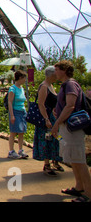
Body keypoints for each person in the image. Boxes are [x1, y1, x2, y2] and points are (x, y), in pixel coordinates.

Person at [51, 60, 91, 202]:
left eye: (56, 70)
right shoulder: (65, 85)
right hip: (67, 126)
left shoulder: (70, 85)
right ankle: (79, 187)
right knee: (74, 158)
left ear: (64, 70)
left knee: (79, 160)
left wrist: (56, 123)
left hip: (72, 127)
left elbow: (70, 106)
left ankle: (88, 193)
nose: (54, 73)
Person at [33, 66, 63, 177]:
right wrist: (46, 119)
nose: (57, 77)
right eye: (55, 75)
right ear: (51, 75)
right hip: (46, 118)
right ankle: (47, 164)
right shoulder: (44, 87)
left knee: (56, 138)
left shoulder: (50, 86)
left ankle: (55, 160)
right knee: (47, 139)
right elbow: (41, 104)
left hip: (52, 117)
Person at [7, 70, 29, 159]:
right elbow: (10, 102)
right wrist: (12, 115)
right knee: (13, 132)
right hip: (15, 112)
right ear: (20, 78)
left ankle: (21, 149)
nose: (25, 80)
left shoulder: (22, 88)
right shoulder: (13, 89)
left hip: (22, 111)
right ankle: (11, 151)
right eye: (24, 78)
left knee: (21, 132)